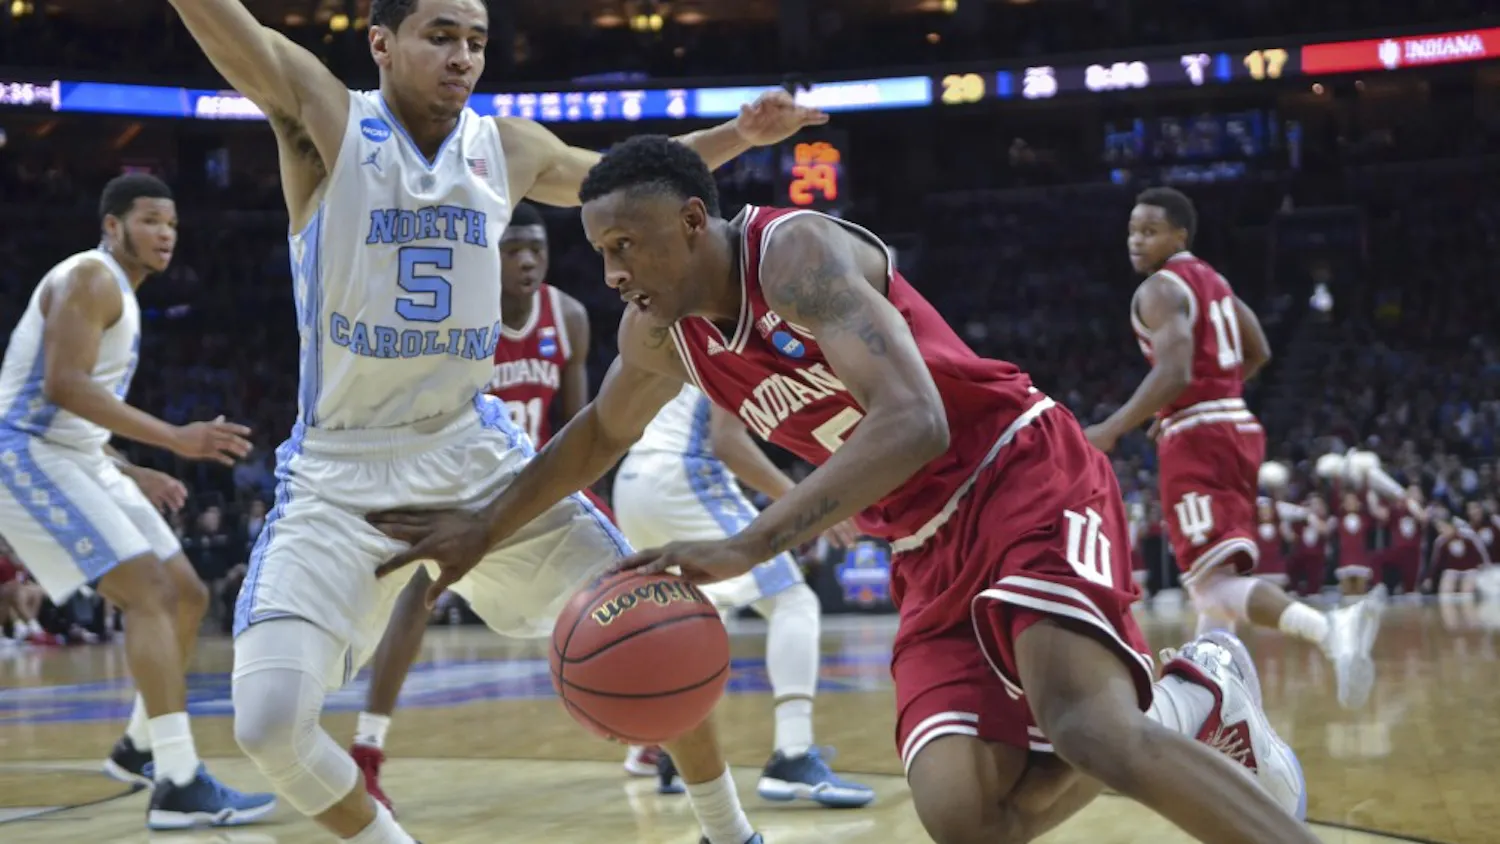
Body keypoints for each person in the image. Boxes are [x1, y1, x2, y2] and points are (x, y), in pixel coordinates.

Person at [369, 135, 1318, 844]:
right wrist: (481, 526)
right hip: (920, 543)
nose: (614, 274)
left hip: (1017, 473)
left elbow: (916, 419)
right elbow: (597, 437)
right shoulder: (662, 333)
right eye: (602, 253)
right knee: (964, 816)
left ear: (692, 223)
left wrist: (749, 544)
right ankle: (1192, 699)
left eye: (627, 246)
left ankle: (1182, 709)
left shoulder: (795, 256)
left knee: (1085, 728)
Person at [168, 0, 822, 841]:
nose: (463, 57)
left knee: (656, 622)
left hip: (472, 451)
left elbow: (626, 182)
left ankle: (729, 833)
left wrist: (738, 133)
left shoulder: (504, 147)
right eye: (440, 36)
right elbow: (241, 37)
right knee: (265, 724)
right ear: (381, 43)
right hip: (338, 473)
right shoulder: (328, 119)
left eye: (475, 41)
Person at [0, 174, 275, 828]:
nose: (165, 234)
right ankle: (177, 782)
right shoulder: (91, 278)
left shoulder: (118, 292)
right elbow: (63, 388)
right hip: (24, 454)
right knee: (148, 593)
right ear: (113, 225)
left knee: (188, 592)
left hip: (75, 456)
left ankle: (139, 745)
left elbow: (75, 416)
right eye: (151, 220)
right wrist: (173, 439)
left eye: (173, 224)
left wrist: (128, 469)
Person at [1084, 186, 1386, 709]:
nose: (1136, 240)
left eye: (1150, 231)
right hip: (1233, 423)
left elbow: (1175, 370)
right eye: (1132, 230)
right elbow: (1259, 350)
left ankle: (1330, 628)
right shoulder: (1215, 282)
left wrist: (1112, 428)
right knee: (1215, 582)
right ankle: (1213, 696)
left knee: (1210, 586)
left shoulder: (1160, 288)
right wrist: (1205, 396)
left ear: (1179, 234)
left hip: (1201, 434)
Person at [347, 202, 595, 812]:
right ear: (489, 254)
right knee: (419, 588)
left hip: (532, 485)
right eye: (514, 249)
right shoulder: (459, 315)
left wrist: (587, 496)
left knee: (612, 587)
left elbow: (580, 425)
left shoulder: (568, 316)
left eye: (536, 247)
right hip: (458, 482)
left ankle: (652, 735)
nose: (529, 260)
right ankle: (367, 752)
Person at [613, 383, 875, 808]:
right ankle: (792, 754)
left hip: (632, 481)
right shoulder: (724, 330)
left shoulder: (670, 330)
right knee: (792, 600)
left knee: (698, 616)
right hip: (683, 473)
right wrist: (808, 504)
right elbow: (728, 442)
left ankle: (665, 748)